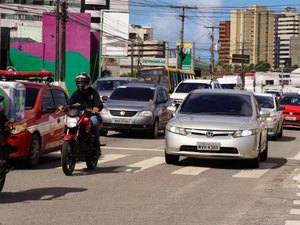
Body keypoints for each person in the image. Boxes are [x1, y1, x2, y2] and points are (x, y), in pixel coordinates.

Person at [59, 72, 103, 156]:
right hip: (78, 115)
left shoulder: (93, 92)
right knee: (67, 121)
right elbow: (70, 103)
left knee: (94, 122)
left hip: (90, 115)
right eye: (78, 82)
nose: (80, 84)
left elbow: (98, 103)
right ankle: (66, 143)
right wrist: (64, 107)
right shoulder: (76, 93)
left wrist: (96, 107)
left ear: (87, 82)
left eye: (82, 82)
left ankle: (97, 146)